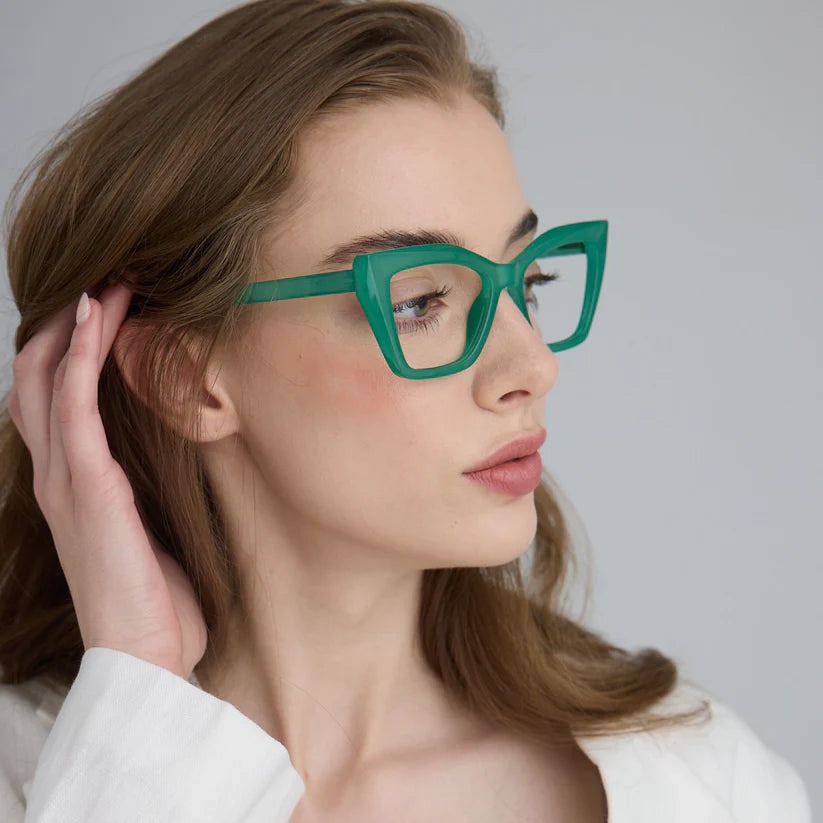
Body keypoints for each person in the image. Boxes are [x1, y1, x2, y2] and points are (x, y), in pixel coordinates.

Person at [0, 1, 811, 821]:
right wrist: (141, 686)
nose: (534, 366)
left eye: (527, 282)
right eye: (420, 300)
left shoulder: (703, 781)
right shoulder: (32, 780)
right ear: (185, 377)